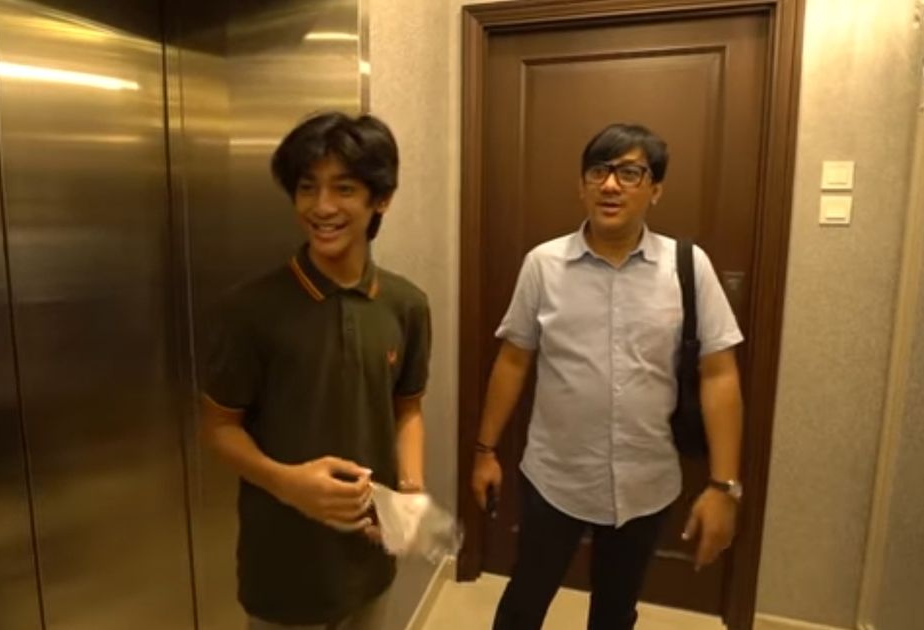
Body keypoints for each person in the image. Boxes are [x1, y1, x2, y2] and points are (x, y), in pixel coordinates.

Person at [471, 123, 744, 630]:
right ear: (582, 186)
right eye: (598, 171)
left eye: (630, 173)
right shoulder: (543, 265)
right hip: (555, 477)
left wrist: (723, 487)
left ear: (655, 189)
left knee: (616, 614)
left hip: (646, 482)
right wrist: (485, 451)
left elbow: (719, 374)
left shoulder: (689, 267)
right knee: (522, 606)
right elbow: (513, 360)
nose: (611, 185)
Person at [201, 112, 431, 630]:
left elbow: (408, 410)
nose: (322, 207)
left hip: (371, 560)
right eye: (308, 188)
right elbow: (218, 429)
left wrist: (411, 492)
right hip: (283, 568)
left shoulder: (406, 305)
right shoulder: (249, 309)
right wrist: (287, 484)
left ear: (381, 199)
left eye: (344, 189)